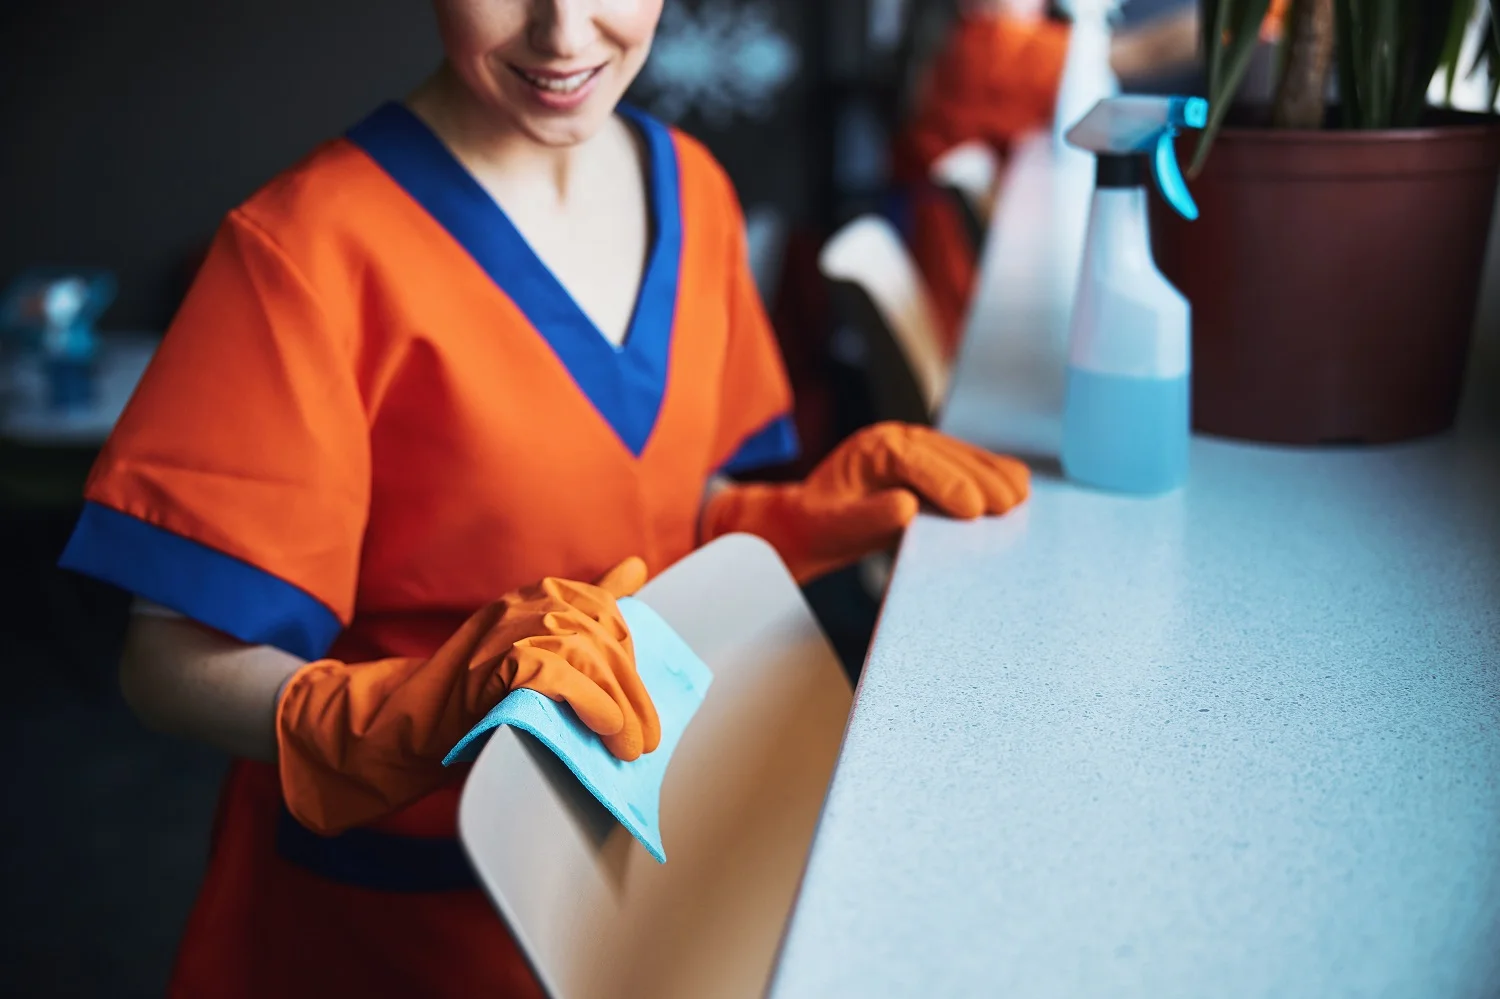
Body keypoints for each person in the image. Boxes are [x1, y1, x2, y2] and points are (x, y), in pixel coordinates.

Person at [57, 2, 1031, 996]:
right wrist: (403, 717)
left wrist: (803, 519)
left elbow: (662, 519)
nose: (563, 36)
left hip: (664, 847)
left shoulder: (694, 191)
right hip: (410, 908)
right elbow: (166, 662)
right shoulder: (303, 251)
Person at [894, 0, 1202, 353]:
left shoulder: (969, 39)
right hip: (967, 323)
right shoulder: (996, 46)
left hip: (971, 297)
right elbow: (1147, 50)